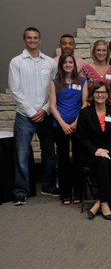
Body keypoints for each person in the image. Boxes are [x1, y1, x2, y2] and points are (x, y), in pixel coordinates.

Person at [9, 27, 58, 205]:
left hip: (45, 114)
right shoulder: (16, 62)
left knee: (49, 153)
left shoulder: (50, 63)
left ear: (40, 39)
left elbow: (54, 89)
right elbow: (15, 90)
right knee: (22, 155)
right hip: (24, 116)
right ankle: (21, 191)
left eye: (35, 37)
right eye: (29, 38)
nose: (32, 41)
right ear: (24, 40)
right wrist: (31, 111)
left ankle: (48, 186)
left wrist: (45, 110)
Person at [77, 82, 111, 220]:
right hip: (90, 153)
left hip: (110, 151)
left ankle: (99, 202)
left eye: (103, 92)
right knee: (102, 162)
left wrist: (107, 150)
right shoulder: (85, 113)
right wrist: (96, 150)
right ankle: (105, 204)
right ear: (92, 95)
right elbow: (81, 138)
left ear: (108, 95)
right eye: (97, 92)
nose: (100, 95)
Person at [49, 54, 88, 205]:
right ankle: (65, 193)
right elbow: (52, 105)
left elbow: (85, 103)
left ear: (74, 64)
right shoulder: (55, 82)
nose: (68, 65)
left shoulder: (82, 81)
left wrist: (76, 122)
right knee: (63, 160)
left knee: (78, 159)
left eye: (70, 62)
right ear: (61, 65)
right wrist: (63, 124)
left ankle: (78, 193)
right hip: (60, 125)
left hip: (78, 124)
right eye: (65, 62)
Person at [80, 40, 111, 105]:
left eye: (104, 50)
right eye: (98, 50)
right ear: (94, 52)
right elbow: (81, 93)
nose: (101, 53)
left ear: (107, 52)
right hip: (90, 109)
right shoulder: (85, 69)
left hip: (110, 108)